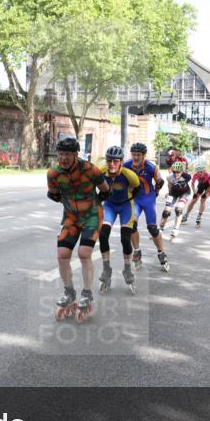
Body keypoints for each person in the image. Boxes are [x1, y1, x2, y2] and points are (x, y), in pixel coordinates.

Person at [46, 136, 110, 320]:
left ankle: (87, 293)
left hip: (91, 215)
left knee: (83, 253)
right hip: (71, 218)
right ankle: (69, 292)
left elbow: (105, 189)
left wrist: (92, 202)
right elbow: (54, 194)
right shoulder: (53, 173)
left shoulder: (89, 169)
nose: (64, 157)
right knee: (62, 254)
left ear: (76, 154)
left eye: (68, 154)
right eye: (61, 153)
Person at [97, 145, 141, 292]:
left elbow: (136, 188)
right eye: (109, 161)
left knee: (124, 238)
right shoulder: (101, 172)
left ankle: (127, 269)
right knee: (103, 235)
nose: (112, 164)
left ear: (121, 162)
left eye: (115, 161)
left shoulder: (129, 175)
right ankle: (106, 268)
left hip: (125, 206)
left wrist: (130, 203)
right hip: (109, 205)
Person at [123, 142, 169, 272]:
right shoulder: (126, 165)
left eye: (138, 155)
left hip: (148, 199)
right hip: (135, 199)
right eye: (133, 155)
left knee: (152, 228)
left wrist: (158, 186)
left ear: (144, 155)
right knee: (132, 225)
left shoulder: (150, 167)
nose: (136, 157)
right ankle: (137, 252)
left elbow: (160, 180)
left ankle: (161, 252)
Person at [161, 161, 193, 240]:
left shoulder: (187, 176)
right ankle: (161, 228)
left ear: (182, 171)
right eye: (174, 172)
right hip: (174, 192)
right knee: (166, 212)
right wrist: (168, 192)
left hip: (184, 193)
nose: (176, 174)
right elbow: (170, 184)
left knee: (178, 209)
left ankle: (176, 229)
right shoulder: (169, 177)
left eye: (178, 172)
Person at [183, 161, 210, 226]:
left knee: (203, 199)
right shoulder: (195, 175)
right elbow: (192, 184)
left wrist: (205, 193)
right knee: (194, 200)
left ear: (204, 171)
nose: (199, 173)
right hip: (201, 185)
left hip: (209, 186)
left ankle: (199, 216)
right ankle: (186, 214)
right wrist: (194, 192)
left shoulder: (208, 175)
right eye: (198, 172)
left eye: (201, 172)